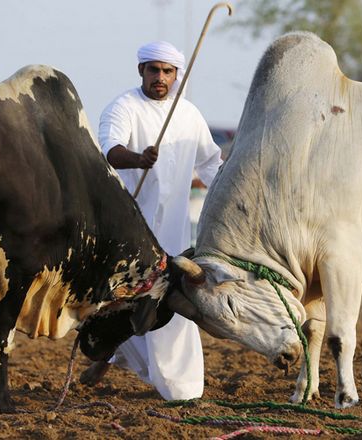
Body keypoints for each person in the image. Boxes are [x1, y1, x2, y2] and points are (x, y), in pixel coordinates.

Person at [80, 41, 222, 400]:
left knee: (169, 300)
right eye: (153, 69)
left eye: (167, 71)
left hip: (174, 230)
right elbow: (111, 152)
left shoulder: (188, 114)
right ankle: (148, 373)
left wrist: (232, 193)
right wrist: (137, 159)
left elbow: (210, 164)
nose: (160, 77)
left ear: (177, 75)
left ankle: (169, 381)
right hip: (132, 228)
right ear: (141, 70)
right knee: (133, 300)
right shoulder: (123, 107)